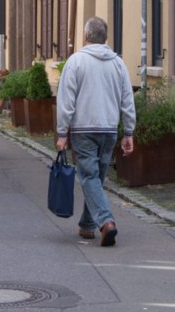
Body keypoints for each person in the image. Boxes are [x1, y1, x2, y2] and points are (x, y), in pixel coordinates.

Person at [55, 16, 136, 247]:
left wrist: (62, 133)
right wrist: (128, 131)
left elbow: (66, 100)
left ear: (86, 37)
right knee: (97, 177)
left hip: (83, 129)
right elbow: (127, 100)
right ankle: (87, 225)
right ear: (106, 38)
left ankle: (106, 222)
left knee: (90, 176)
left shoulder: (76, 62)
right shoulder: (118, 63)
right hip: (108, 128)